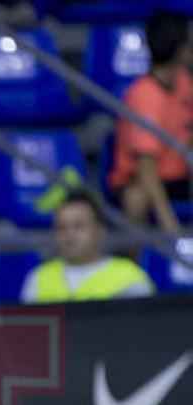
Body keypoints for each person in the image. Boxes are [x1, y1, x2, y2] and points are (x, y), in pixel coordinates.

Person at [109, 9, 193, 236]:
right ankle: (138, 267)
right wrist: (170, 225)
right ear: (180, 48)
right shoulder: (143, 96)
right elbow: (146, 168)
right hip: (141, 180)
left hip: (181, 176)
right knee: (137, 199)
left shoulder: (185, 82)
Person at [20, 192, 155, 303]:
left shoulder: (130, 278)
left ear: (100, 231)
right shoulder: (38, 279)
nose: (69, 235)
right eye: (61, 228)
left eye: (78, 226)